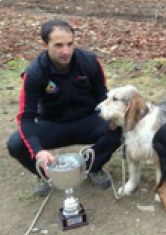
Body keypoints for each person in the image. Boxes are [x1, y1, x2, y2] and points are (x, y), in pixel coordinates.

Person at [6, 19, 122, 196]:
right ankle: (45, 174)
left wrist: (114, 118)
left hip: (88, 119)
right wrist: (38, 152)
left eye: (70, 44)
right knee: (16, 144)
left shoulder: (90, 62)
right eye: (58, 45)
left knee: (120, 129)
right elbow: (26, 117)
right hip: (53, 124)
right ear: (45, 44)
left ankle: (91, 167)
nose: (66, 51)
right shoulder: (35, 72)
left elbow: (102, 97)